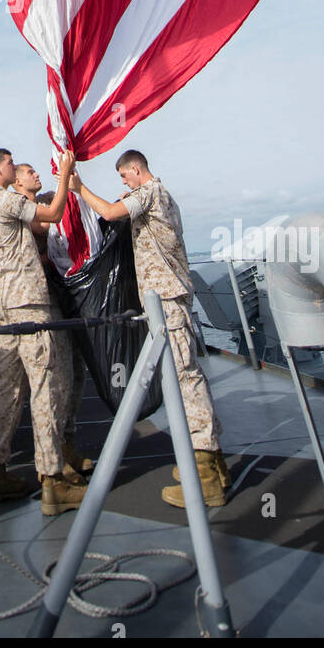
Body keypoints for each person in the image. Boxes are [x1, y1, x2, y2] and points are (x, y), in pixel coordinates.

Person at [70, 149, 228, 508]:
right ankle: (212, 464)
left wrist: (79, 188)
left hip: (167, 299)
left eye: (125, 177)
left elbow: (109, 212)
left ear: (136, 169)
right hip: (171, 298)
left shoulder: (151, 192)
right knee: (188, 375)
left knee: (186, 378)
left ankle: (205, 474)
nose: (123, 183)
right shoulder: (162, 197)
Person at [0, 147, 87, 517]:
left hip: (3, 305)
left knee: (7, 387)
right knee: (45, 384)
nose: (13, 165)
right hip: (27, 301)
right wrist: (65, 174)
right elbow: (53, 213)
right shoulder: (7, 200)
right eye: (10, 163)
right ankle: (53, 480)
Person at [13, 167, 92, 477]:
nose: (35, 173)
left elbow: (63, 208)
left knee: (75, 372)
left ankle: (67, 440)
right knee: (53, 379)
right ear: (17, 181)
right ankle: (54, 453)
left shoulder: (43, 202)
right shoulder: (20, 209)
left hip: (63, 298)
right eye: (28, 171)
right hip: (39, 305)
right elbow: (49, 220)